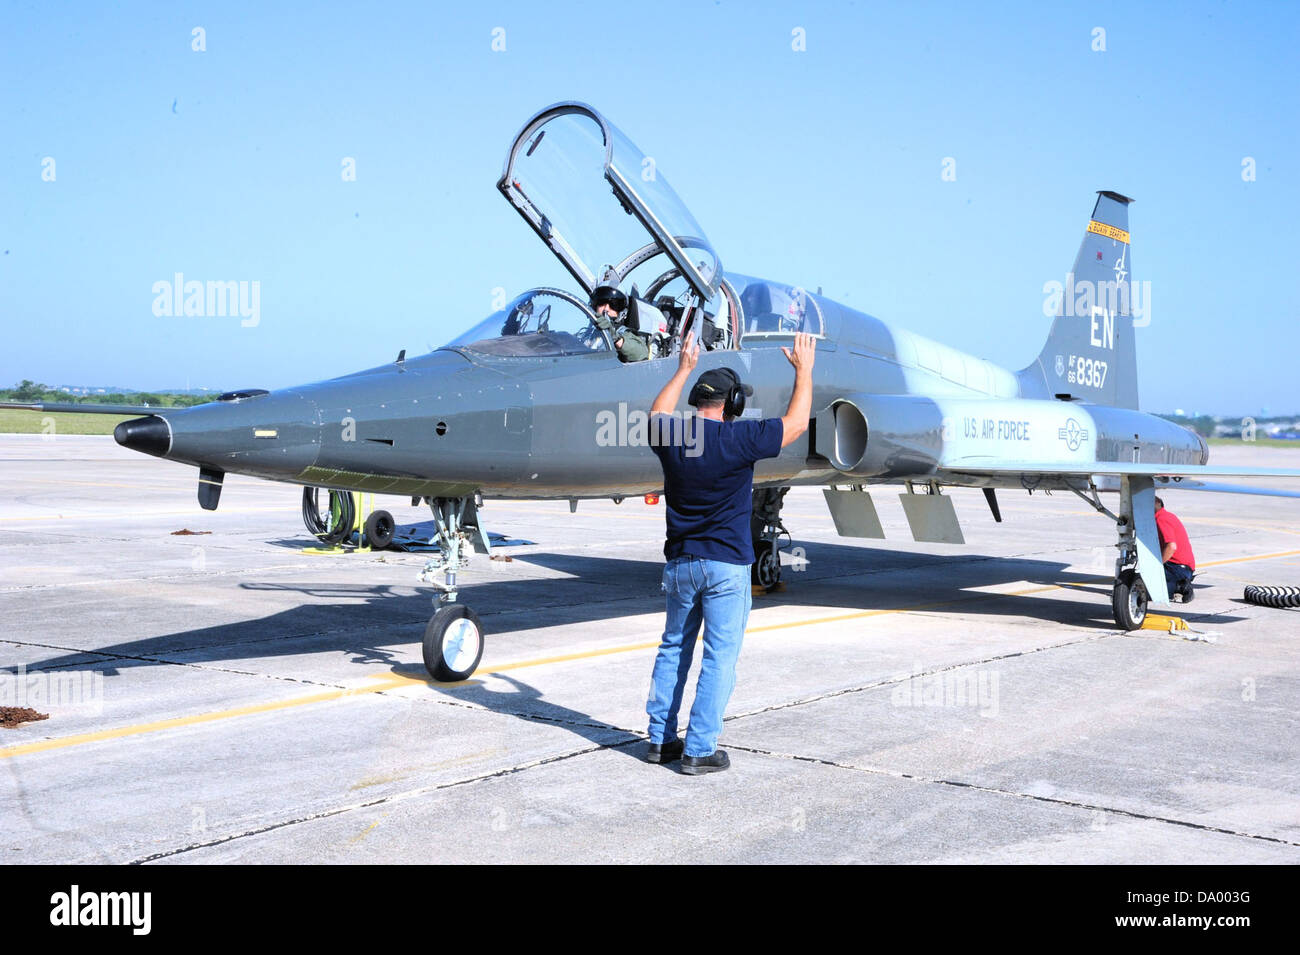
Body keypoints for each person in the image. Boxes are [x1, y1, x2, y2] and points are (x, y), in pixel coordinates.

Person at [643, 330, 816, 774]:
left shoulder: (672, 437)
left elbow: (657, 411)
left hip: (680, 563)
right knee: (719, 656)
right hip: (725, 567)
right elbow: (796, 425)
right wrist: (805, 371)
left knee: (673, 649)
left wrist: (682, 367)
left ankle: (661, 742)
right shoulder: (740, 440)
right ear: (732, 403)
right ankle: (700, 750)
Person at [589, 285, 649, 362]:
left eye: (614, 304)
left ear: (622, 312)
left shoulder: (625, 334)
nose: (606, 309)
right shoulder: (587, 335)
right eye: (601, 303)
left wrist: (614, 337)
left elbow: (641, 353)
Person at [1155, 496, 1196, 603]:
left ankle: (1181, 587)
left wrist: (1156, 565)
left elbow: (1171, 546)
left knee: (1149, 589)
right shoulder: (1166, 516)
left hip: (1178, 568)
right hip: (1179, 567)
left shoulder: (1161, 518)